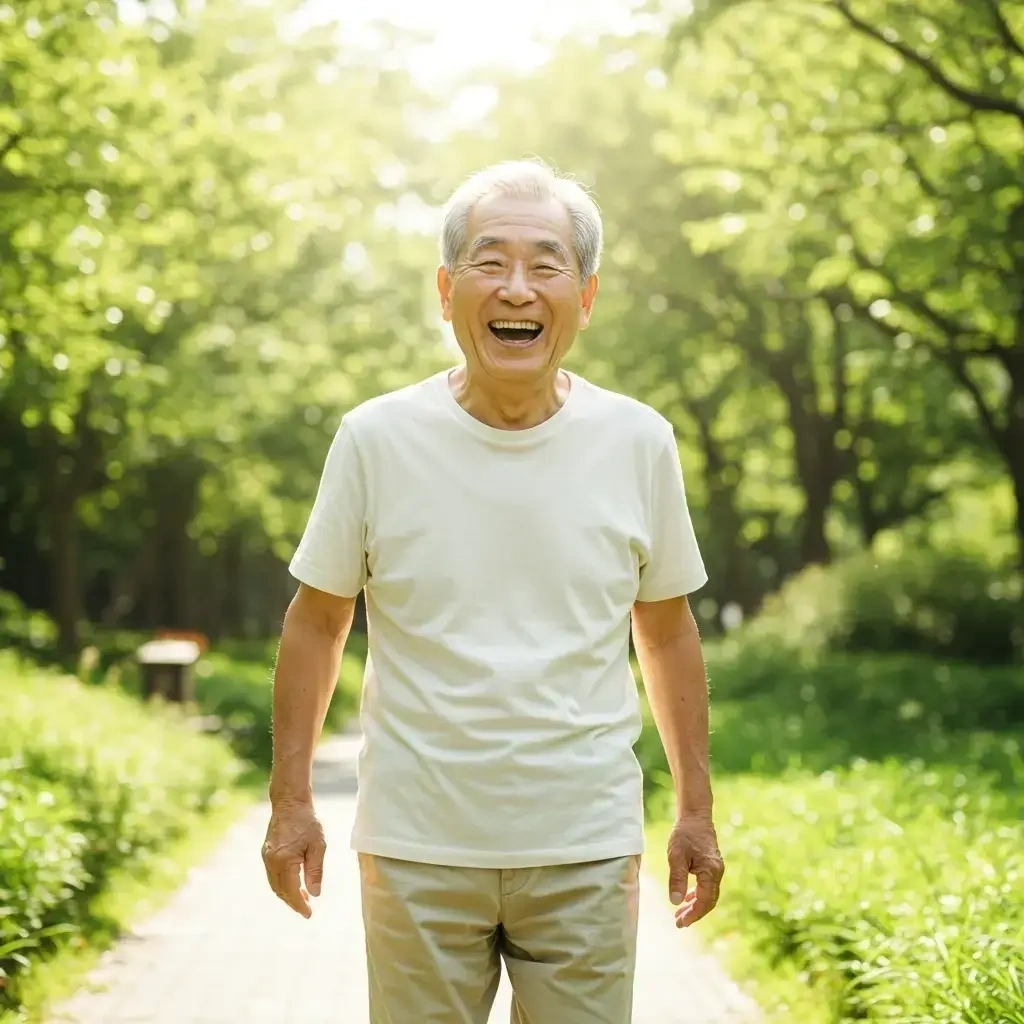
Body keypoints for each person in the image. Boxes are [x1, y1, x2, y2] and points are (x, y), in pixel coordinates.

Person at [261, 159, 724, 1023]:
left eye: (547, 265)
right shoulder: (375, 438)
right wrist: (291, 803)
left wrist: (695, 809)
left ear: (585, 297)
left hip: (584, 843)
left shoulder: (639, 440)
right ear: (446, 290)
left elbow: (665, 631)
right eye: (489, 261)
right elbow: (318, 623)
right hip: (416, 845)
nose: (517, 288)